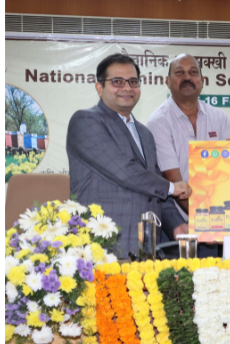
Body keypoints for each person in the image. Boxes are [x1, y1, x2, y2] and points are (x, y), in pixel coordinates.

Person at [67, 53, 190, 257]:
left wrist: (177, 224)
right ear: (100, 88)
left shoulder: (145, 134)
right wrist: (172, 187)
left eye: (133, 82)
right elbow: (124, 171)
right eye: (117, 82)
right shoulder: (85, 121)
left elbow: (156, 186)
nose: (127, 88)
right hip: (104, 247)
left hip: (147, 246)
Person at [146, 53, 230, 220]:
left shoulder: (220, 118)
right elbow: (174, 181)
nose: (187, 77)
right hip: (179, 223)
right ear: (168, 81)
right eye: (179, 73)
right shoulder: (158, 122)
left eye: (193, 72)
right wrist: (202, 219)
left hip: (220, 217)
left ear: (202, 81)